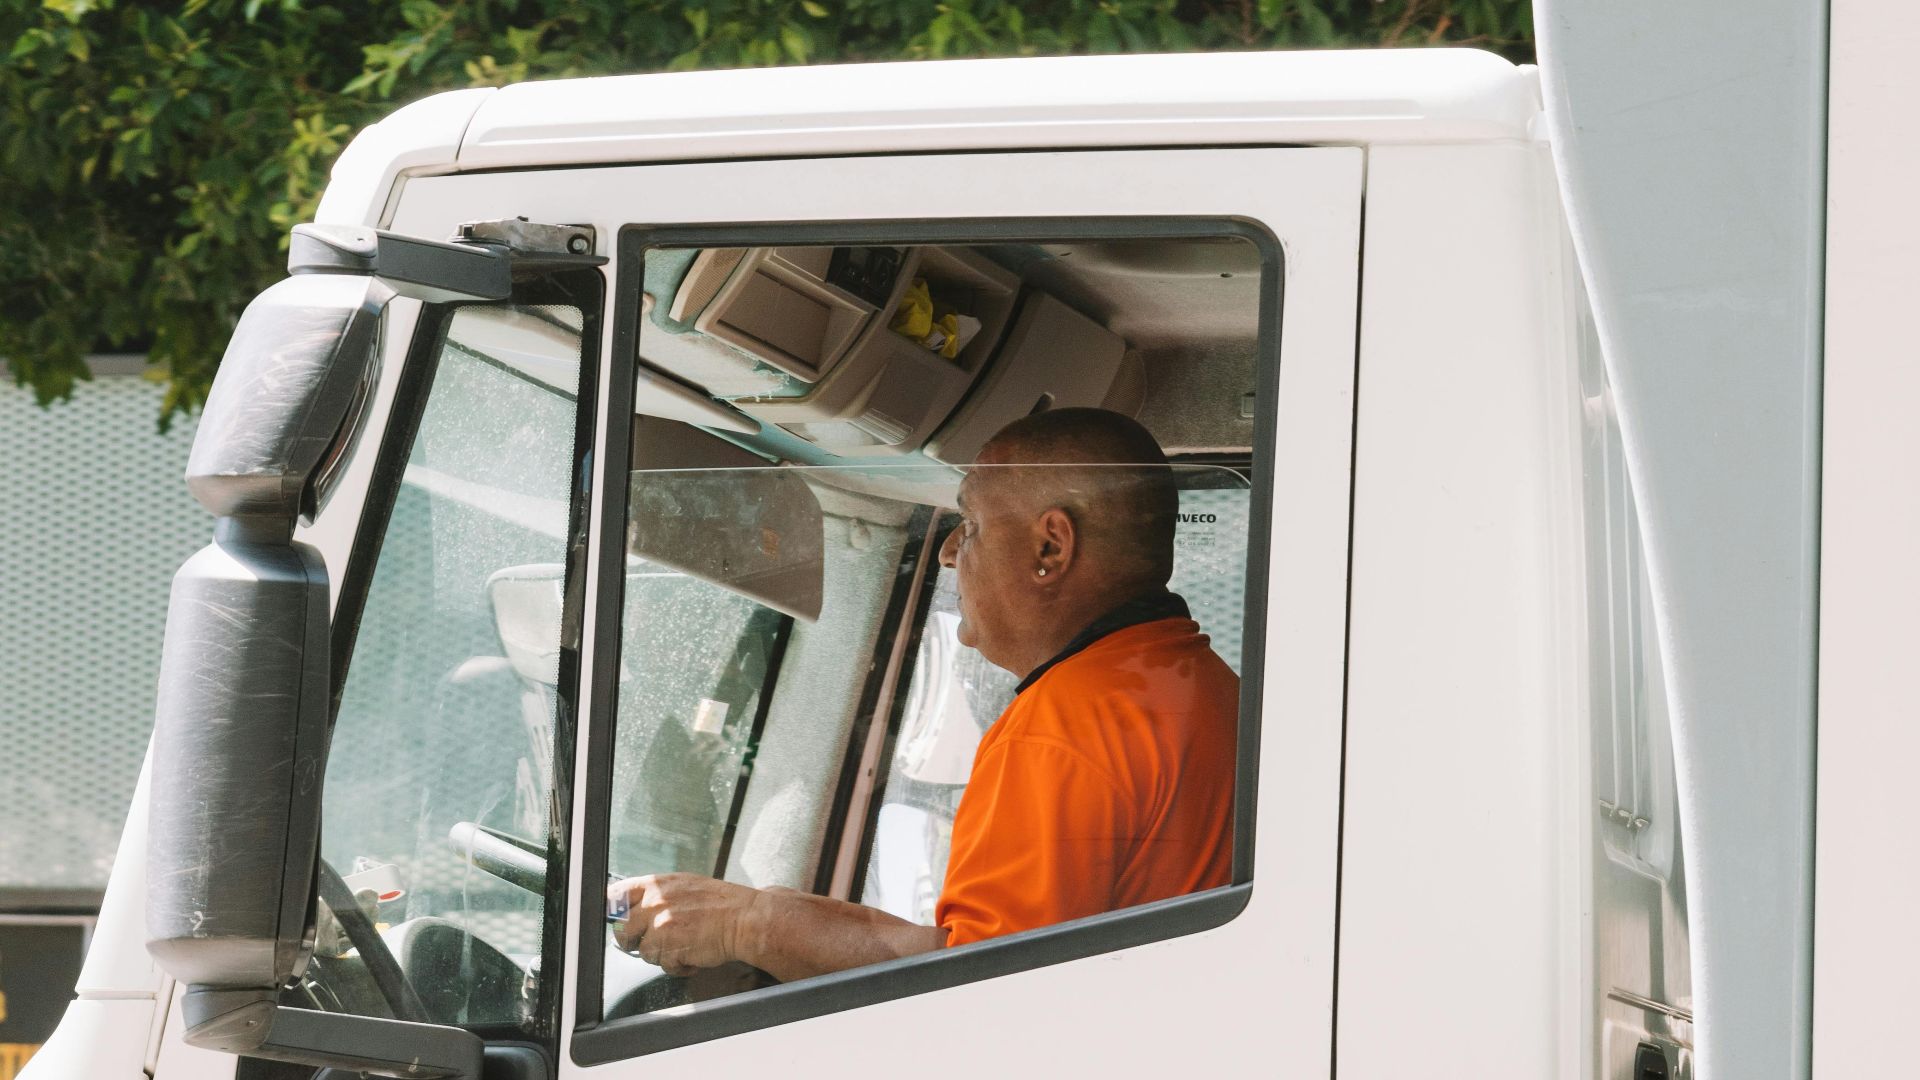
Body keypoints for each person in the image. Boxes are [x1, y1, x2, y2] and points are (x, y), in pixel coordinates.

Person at [609, 407, 1238, 982]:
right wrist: (750, 914)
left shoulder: (1064, 726)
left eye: (971, 523)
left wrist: (744, 925)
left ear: (1051, 547)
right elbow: (983, 949)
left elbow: (975, 987)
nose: (945, 553)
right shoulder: (1214, 694)